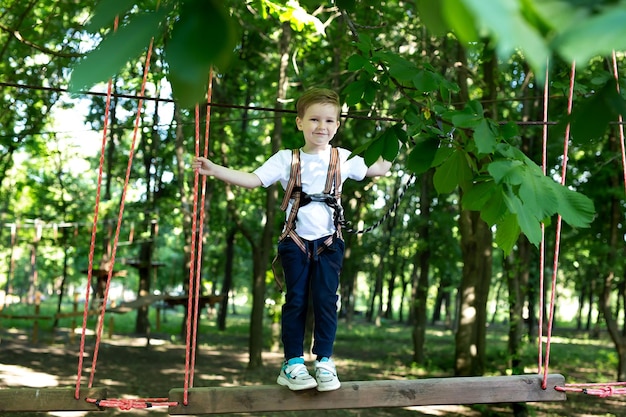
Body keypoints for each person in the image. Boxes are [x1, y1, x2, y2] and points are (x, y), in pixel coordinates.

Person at [192, 88, 392, 392]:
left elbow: (379, 168)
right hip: (295, 241)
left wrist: (398, 137)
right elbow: (253, 180)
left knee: (326, 300)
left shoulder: (344, 159)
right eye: (313, 119)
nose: (321, 126)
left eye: (328, 120)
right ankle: (293, 363)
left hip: (329, 242)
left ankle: (324, 361)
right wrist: (214, 170)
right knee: (296, 300)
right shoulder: (288, 159)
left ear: (338, 125)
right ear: (299, 123)